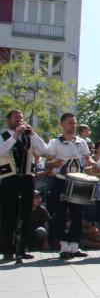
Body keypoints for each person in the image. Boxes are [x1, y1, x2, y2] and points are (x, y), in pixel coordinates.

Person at [0, 110, 48, 260]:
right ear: (8, 121)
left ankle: (23, 249)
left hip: (27, 178)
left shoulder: (28, 137)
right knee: (9, 215)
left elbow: (44, 150)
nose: (19, 120)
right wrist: (15, 136)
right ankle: (8, 249)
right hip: (9, 178)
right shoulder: (4, 136)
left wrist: (33, 133)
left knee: (27, 214)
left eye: (21, 118)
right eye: (16, 118)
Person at [44, 113, 93, 259]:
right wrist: (55, 164)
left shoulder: (81, 142)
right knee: (60, 214)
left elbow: (87, 158)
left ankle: (75, 246)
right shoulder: (55, 142)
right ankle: (64, 246)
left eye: (74, 123)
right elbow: (48, 163)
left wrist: (93, 163)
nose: (73, 125)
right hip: (61, 181)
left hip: (78, 182)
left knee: (78, 215)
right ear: (62, 124)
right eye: (70, 123)